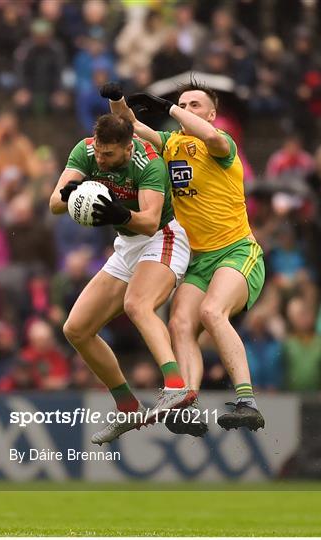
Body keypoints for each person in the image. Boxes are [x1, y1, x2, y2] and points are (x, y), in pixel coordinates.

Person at [101, 80, 265, 433]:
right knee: (179, 324)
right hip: (200, 259)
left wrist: (169, 108)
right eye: (183, 105)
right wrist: (117, 99)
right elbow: (132, 127)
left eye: (195, 105)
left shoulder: (222, 145)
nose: (187, 109)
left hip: (237, 251)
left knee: (211, 312)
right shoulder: (171, 144)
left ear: (211, 113)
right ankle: (186, 402)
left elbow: (211, 137)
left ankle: (247, 401)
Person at [49, 113, 195, 444]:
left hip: (162, 237)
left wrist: (118, 212)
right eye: (99, 152)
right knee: (76, 329)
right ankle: (128, 407)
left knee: (138, 304)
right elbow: (54, 204)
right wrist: (73, 192)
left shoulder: (149, 163)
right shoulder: (86, 151)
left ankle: (176, 386)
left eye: (109, 155)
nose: (101, 159)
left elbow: (149, 221)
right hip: (127, 246)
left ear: (128, 148)